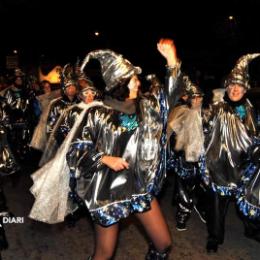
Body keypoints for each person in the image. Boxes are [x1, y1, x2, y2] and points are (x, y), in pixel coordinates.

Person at [29, 40, 182, 259]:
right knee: (104, 254)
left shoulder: (146, 107)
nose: (137, 83)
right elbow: (75, 150)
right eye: (132, 80)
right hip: (107, 191)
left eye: (137, 79)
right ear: (119, 84)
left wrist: (171, 59)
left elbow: (170, 95)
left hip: (139, 186)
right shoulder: (97, 114)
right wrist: (104, 158)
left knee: (163, 244)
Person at [200, 53, 260, 253]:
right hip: (219, 166)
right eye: (232, 85)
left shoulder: (250, 110)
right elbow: (202, 129)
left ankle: (252, 230)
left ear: (245, 89)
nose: (235, 89)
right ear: (227, 86)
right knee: (217, 206)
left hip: (243, 167)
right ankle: (214, 237)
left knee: (249, 200)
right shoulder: (216, 107)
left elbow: (255, 135)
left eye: (240, 86)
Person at [167, 75, 206, 231]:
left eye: (199, 97)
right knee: (185, 188)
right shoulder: (182, 112)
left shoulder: (206, 113)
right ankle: (182, 216)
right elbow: (171, 134)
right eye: (194, 97)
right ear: (188, 98)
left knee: (200, 187)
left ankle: (199, 207)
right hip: (185, 159)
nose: (197, 100)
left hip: (202, 160)